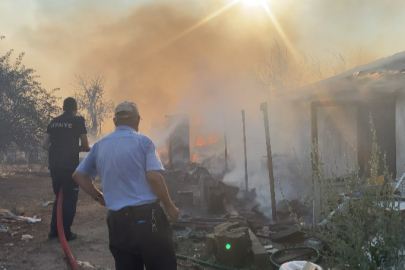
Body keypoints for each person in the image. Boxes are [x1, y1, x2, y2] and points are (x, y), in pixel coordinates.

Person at [72, 101, 179, 270]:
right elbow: (154, 177)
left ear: (115, 121)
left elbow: (78, 176)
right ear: (137, 121)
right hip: (148, 216)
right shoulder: (143, 142)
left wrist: (99, 197)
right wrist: (170, 206)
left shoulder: (100, 145)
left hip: (117, 220)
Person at [41, 97, 90, 241]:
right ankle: (66, 232)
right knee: (70, 198)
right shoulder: (78, 120)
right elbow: (86, 144)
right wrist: (82, 148)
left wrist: (57, 151)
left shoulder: (53, 122)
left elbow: (44, 145)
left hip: (54, 166)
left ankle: (54, 231)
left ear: (63, 108)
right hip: (70, 166)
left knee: (59, 197)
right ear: (75, 108)